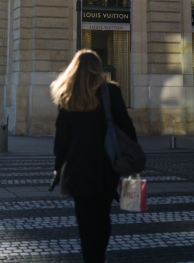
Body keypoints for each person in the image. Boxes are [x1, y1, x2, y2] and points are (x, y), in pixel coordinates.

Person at [51, 50, 137, 263]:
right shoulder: (111, 92)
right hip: (106, 166)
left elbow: (61, 140)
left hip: (78, 170)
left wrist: (57, 168)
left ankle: (92, 258)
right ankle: (99, 256)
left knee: (85, 220)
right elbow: (127, 128)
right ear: (97, 69)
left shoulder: (68, 96)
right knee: (103, 216)